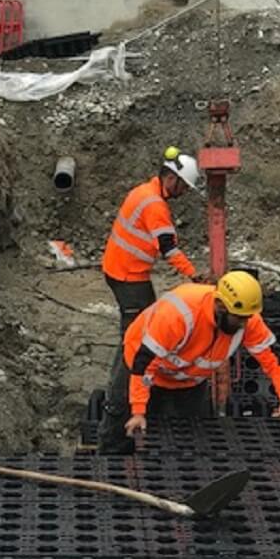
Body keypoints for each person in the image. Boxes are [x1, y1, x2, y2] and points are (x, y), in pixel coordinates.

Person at [97, 147, 205, 453]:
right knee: (137, 339)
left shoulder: (144, 191)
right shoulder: (155, 204)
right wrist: (195, 276)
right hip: (128, 275)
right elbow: (169, 248)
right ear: (170, 178)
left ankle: (138, 382)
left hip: (124, 271)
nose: (183, 192)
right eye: (183, 186)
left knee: (146, 327)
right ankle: (123, 398)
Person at [121, 271, 280, 435]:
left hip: (188, 382)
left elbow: (276, 360)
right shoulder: (178, 315)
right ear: (220, 306)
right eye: (239, 318)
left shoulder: (246, 317)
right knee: (122, 430)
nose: (244, 324)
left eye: (247, 318)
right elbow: (144, 364)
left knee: (190, 438)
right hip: (140, 369)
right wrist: (138, 411)